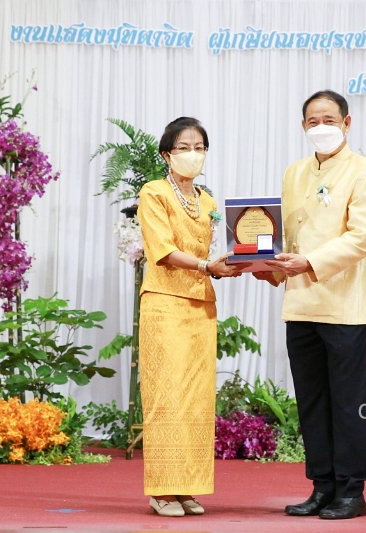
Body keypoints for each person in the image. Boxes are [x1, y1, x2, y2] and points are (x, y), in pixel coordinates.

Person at [255, 90, 366, 520]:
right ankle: (322, 486)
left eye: (329, 119)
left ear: (347, 123)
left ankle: (351, 491)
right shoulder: (294, 172)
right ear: (303, 126)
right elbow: (288, 238)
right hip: (300, 304)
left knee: (348, 404)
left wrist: (310, 263)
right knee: (312, 401)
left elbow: (362, 237)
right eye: (313, 121)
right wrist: (267, 266)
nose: (321, 127)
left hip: (346, 307)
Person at [137, 117, 243, 517]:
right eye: (184, 147)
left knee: (196, 399)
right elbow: (161, 250)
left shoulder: (208, 202)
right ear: (167, 154)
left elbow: (220, 251)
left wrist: (248, 261)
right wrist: (205, 266)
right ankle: (162, 490)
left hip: (201, 303)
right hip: (165, 301)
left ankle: (186, 487)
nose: (193, 154)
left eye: (199, 147)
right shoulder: (154, 192)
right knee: (167, 397)